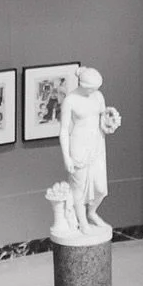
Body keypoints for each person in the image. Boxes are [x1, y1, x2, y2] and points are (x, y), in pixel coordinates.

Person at [58, 66, 120, 236]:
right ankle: (82, 220)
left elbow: (102, 119)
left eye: (97, 87)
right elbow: (63, 131)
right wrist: (67, 158)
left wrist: (110, 123)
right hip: (78, 147)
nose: (95, 90)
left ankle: (91, 213)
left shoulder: (98, 96)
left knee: (100, 188)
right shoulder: (70, 100)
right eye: (92, 87)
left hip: (97, 145)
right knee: (78, 188)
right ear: (82, 84)